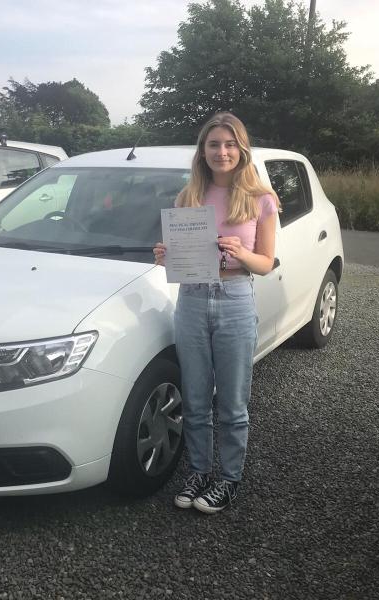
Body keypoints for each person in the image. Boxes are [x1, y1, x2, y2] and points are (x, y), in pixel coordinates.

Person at [153, 112, 279, 513]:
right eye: (213, 144)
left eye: (229, 145)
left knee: (232, 402)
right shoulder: (187, 196)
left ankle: (228, 479)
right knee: (193, 397)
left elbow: (267, 262)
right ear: (202, 150)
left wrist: (242, 253)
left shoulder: (262, 199)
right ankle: (198, 472)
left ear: (241, 150)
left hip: (235, 300)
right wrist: (166, 256)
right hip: (191, 300)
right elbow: (183, 254)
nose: (221, 152)